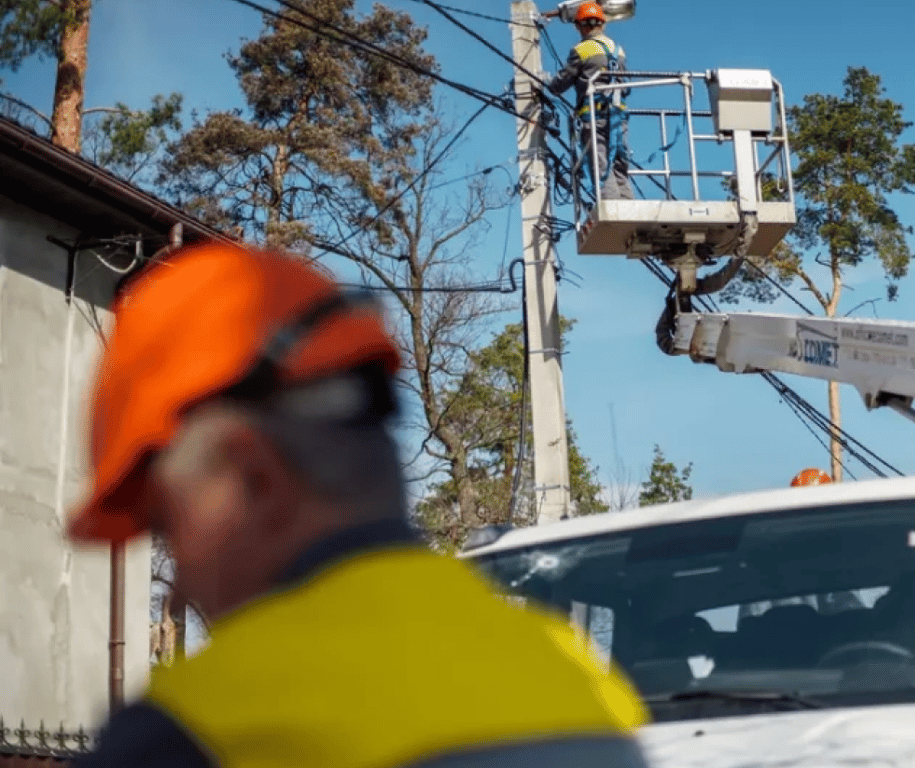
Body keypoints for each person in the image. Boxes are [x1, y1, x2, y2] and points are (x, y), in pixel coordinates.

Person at [68, 241, 651, 767]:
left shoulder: (201, 732)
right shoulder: (576, 676)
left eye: (169, 528)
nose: (177, 588)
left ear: (253, 479)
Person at [546, 1, 633, 200]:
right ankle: (629, 209)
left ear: (580, 26)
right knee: (619, 167)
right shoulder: (618, 49)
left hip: (595, 117)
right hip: (619, 117)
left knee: (601, 165)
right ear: (602, 24)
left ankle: (613, 210)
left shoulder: (582, 50)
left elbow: (561, 83)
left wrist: (547, 84)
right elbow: (627, 84)